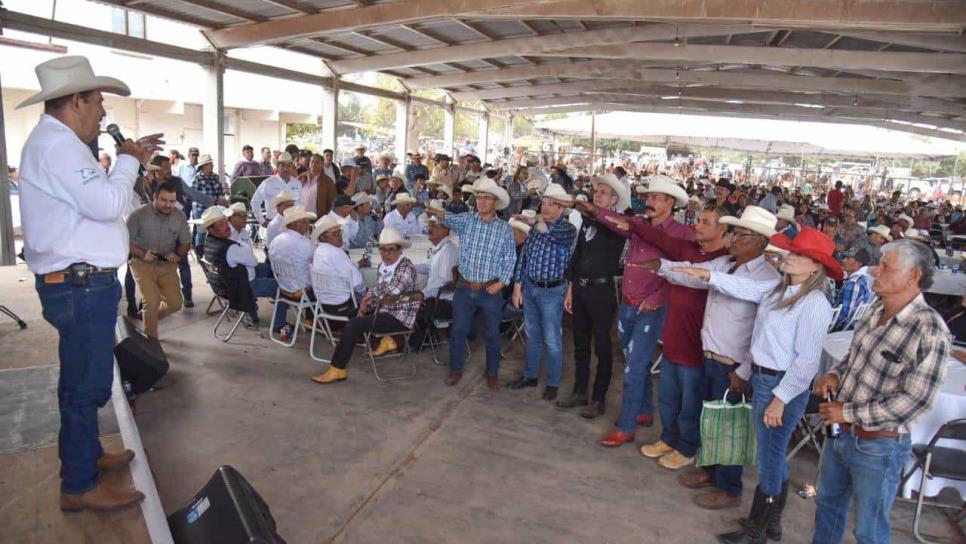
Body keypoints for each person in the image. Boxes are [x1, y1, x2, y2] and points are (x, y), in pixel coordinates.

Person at [18, 55, 163, 511]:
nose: (103, 112)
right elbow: (105, 204)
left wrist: (125, 164)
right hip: (79, 287)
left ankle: (86, 456)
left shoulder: (59, 144)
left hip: (82, 284)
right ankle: (78, 485)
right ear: (76, 100)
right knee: (86, 386)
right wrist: (126, 162)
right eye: (98, 101)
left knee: (81, 380)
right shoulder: (57, 146)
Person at [673, 227, 840, 544]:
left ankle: (758, 528)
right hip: (766, 379)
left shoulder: (814, 303)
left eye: (800, 255)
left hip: (781, 385)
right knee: (772, 455)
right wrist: (708, 276)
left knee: (769, 458)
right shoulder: (779, 290)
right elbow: (745, 293)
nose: (790, 257)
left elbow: (806, 362)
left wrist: (781, 398)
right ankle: (769, 523)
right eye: (792, 251)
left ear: (815, 266)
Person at [812, 239, 951, 544]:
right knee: (827, 507)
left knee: (869, 530)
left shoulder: (929, 328)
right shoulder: (877, 309)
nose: (876, 270)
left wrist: (846, 411)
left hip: (878, 446)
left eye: (886, 266)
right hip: (841, 434)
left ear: (913, 276)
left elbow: (914, 401)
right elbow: (854, 358)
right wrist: (834, 375)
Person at [654, 206, 780, 507]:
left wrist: (745, 370)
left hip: (734, 365)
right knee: (708, 420)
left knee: (730, 427)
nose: (733, 238)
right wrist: (660, 266)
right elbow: (692, 276)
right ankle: (709, 471)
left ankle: (730, 488)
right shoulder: (725, 263)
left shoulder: (769, 277)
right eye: (734, 232)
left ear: (760, 242)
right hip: (709, 356)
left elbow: (747, 297)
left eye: (741, 234)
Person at [584, 175, 693, 448]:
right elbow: (616, 223)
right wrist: (596, 210)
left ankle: (626, 425)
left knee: (633, 367)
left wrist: (660, 295)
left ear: (670, 202)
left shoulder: (681, 233)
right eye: (648, 197)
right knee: (634, 359)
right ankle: (643, 409)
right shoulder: (639, 225)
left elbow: (682, 272)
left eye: (655, 198)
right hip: (630, 302)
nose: (649, 201)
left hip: (651, 307)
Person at [430, 178, 517, 390]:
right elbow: (445, 217)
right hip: (465, 286)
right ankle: (456, 370)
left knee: (492, 333)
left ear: (495, 202)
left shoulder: (504, 229)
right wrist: (432, 209)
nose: (481, 202)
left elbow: (510, 258)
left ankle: (492, 373)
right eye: (478, 197)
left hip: (490, 289)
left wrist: (502, 283)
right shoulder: (467, 220)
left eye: (486, 198)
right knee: (458, 329)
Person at [556, 174, 630, 418]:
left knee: (602, 345)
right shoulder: (588, 222)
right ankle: (580, 391)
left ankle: (598, 398)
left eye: (603, 192)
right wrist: (571, 287)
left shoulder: (618, 223)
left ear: (614, 199)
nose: (597, 195)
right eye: (596, 191)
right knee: (580, 343)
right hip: (581, 287)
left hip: (601, 290)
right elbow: (577, 255)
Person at [311, 228, 421, 383]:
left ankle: (337, 368)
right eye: (382, 249)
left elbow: (393, 291)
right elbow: (382, 293)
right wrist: (368, 303)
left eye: (391, 250)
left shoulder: (405, 266)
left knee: (353, 325)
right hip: (385, 310)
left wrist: (369, 298)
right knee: (351, 315)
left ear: (400, 250)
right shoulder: (383, 266)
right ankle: (380, 342)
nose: (385, 253)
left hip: (399, 316)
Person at [506, 183, 577, 400]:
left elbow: (549, 233)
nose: (545, 208)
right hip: (531, 287)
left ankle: (553, 381)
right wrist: (518, 286)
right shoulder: (538, 228)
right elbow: (525, 258)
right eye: (544, 203)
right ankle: (531, 375)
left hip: (552, 291)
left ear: (561, 209)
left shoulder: (567, 229)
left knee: (552, 339)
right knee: (533, 336)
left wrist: (533, 221)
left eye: (551, 204)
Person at [126, 179, 190, 339]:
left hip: (166, 264)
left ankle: (149, 317)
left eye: (172, 201)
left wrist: (178, 254)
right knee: (151, 301)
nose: (168, 205)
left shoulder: (179, 216)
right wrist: (142, 253)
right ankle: (151, 342)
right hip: (141, 264)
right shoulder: (137, 216)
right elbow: (126, 242)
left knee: (175, 303)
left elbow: (186, 242)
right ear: (154, 197)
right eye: (164, 200)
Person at [409, 215, 460, 350]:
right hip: (437, 299)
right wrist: (409, 266)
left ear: (445, 230)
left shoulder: (448, 251)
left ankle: (418, 341)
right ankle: (427, 337)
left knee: (410, 305)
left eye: (434, 226)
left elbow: (444, 283)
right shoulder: (440, 249)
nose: (429, 229)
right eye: (429, 226)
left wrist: (422, 294)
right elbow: (428, 266)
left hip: (445, 303)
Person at [268, 206, 317, 340]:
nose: (307, 224)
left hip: (284, 288)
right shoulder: (305, 243)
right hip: (303, 293)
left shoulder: (276, 241)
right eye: (304, 221)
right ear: (294, 224)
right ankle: (318, 322)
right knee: (328, 285)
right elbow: (318, 263)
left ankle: (310, 320)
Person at [309, 215, 366, 324]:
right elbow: (357, 282)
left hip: (324, 306)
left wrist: (356, 265)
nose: (340, 236)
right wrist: (366, 292)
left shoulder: (319, 251)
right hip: (342, 308)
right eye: (335, 234)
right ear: (323, 237)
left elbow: (339, 268)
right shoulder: (336, 252)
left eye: (340, 232)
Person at [251, 152, 301, 226]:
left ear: (292, 167)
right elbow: (255, 201)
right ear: (277, 167)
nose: (286, 169)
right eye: (282, 165)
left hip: (292, 224)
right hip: (273, 222)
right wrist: (262, 221)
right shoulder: (268, 183)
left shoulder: (297, 183)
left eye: (288, 166)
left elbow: (301, 203)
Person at [831, 246, 874, 331]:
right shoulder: (865, 278)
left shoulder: (854, 283)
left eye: (848, 258)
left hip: (841, 330)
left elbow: (844, 314)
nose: (843, 260)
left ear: (858, 264)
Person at [190, 154, 225, 249]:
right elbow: (194, 195)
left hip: (213, 209)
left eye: (212, 163)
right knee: (201, 232)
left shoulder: (215, 177)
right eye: (210, 164)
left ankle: (213, 250)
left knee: (215, 231)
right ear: (204, 166)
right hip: (200, 209)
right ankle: (199, 251)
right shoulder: (197, 178)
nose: (212, 165)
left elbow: (220, 192)